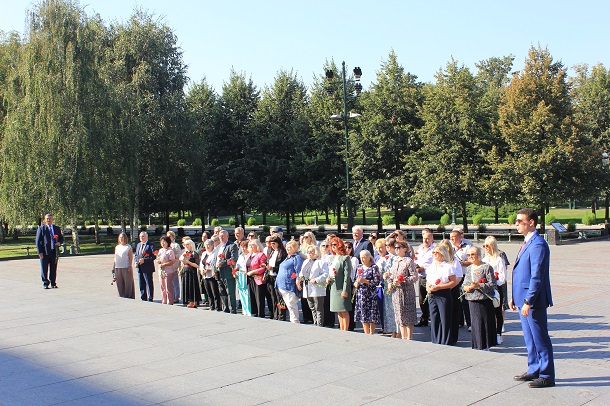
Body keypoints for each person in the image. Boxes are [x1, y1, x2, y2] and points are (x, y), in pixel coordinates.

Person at [510, 208, 555, 388]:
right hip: (523, 299)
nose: (517, 224)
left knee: (540, 338)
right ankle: (534, 368)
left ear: (531, 222)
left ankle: (547, 374)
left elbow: (537, 275)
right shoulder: (527, 242)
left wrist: (528, 300)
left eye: (520, 221)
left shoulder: (538, 244)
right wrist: (515, 297)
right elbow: (520, 272)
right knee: (530, 338)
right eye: (517, 221)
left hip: (533, 301)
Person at [463, 246, 497, 350]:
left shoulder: (486, 267)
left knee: (485, 322)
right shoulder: (469, 268)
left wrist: (479, 286)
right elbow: (464, 284)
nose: (471, 257)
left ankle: (485, 344)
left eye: (473, 254)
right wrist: (466, 288)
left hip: (484, 300)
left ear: (479, 254)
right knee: (475, 324)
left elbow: (492, 285)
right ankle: (477, 344)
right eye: (468, 255)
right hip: (472, 299)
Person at [388, 240, 419, 340]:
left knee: (408, 315)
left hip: (406, 292)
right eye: (395, 248)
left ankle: (409, 338)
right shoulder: (395, 260)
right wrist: (390, 282)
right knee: (399, 314)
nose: (396, 250)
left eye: (399, 248)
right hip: (396, 291)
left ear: (405, 249)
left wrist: (403, 280)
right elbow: (391, 274)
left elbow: (414, 276)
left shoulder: (408, 261)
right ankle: (403, 336)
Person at [426, 245, 457, 345]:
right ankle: (435, 339)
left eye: (436, 252)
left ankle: (446, 340)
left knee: (444, 318)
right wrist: (428, 288)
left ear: (442, 254)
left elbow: (453, 282)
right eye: (433, 253)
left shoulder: (448, 266)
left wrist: (439, 287)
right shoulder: (432, 266)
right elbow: (428, 280)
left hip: (443, 293)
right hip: (432, 293)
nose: (434, 254)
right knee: (434, 317)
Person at [483, 236, 507, 344]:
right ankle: (489, 333)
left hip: (497, 288)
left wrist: (494, 282)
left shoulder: (499, 259)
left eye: (487, 245)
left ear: (493, 246)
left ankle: (498, 334)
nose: (485, 248)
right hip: (486, 289)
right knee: (488, 312)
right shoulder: (484, 259)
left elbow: (503, 277)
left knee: (498, 311)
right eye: (484, 246)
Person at [298, 245, 328, 326]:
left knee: (318, 308)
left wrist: (316, 280)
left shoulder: (321, 262)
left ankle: (320, 325)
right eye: (308, 252)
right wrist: (301, 277)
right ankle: (315, 323)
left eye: (312, 252)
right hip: (307, 286)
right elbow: (301, 272)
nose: (310, 253)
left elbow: (325, 274)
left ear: (316, 252)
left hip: (317, 287)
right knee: (311, 307)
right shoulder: (306, 261)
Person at [327, 237, 353, 331]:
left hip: (342, 287)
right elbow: (331, 272)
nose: (333, 247)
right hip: (334, 286)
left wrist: (345, 290)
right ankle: (341, 328)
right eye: (331, 245)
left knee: (344, 310)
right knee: (338, 310)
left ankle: (345, 330)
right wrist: (328, 279)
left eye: (335, 244)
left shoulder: (345, 258)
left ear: (340, 245)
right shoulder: (332, 258)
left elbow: (347, 275)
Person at [276, 240, 304, 323]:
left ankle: (295, 322)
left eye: (290, 248)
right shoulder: (288, 257)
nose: (287, 249)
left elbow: (298, 270)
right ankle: (293, 321)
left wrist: (298, 281)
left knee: (292, 305)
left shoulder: (297, 257)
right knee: (289, 305)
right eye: (287, 247)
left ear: (295, 248)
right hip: (282, 285)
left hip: (289, 285)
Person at [354, 250, 381, 334]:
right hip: (361, 294)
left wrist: (365, 281)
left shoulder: (374, 267)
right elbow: (356, 279)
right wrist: (356, 283)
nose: (362, 259)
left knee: (371, 315)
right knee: (363, 315)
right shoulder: (359, 267)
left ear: (369, 258)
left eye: (364, 257)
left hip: (370, 294)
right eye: (361, 258)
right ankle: (366, 333)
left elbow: (376, 282)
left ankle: (371, 332)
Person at [450, 229, 472, 332]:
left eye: (454, 237)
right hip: (453, 276)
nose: (452, 238)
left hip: (464, 275)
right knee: (456, 299)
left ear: (460, 237)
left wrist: (463, 263)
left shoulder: (467, 247)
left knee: (465, 299)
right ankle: (459, 321)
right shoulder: (449, 247)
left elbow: (472, 260)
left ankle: (470, 323)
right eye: (451, 237)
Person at [36, 213, 64, 289]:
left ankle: (53, 283)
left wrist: (59, 242)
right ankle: (45, 283)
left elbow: (61, 238)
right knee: (44, 268)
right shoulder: (41, 229)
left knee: (53, 268)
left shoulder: (56, 228)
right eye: (47, 219)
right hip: (44, 252)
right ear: (45, 220)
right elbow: (38, 241)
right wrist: (40, 252)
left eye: (50, 218)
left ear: (52, 219)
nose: (48, 220)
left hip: (54, 252)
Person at [215, 230, 239, 313]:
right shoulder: (218, 247)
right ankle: (225, 309)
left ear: (227, 236)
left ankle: (232, 309)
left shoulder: (232, 246)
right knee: (222, 292)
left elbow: (234, 259)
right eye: (220, 236)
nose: (221, 237)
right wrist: (214, 269)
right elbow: (215, 259)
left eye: (223, 236)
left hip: (227, 272)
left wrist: (223, 263)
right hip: (219, 272)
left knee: (230, 292)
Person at [414, 228, 435, 327]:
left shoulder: (434, 250)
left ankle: (433, 319)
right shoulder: (420, 249)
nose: (425, 241)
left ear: (432, 239)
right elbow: (416, 260)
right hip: (421, 276)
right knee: (422, 299)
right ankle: (424, 319)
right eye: (424, 238)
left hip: (430, 277)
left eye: (427, 239)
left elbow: (435, 263)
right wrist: (416, 266)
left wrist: (423, 268)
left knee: (430, 298)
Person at [266, 235, 287, 320]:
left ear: (278, 243)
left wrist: (273, 268)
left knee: (280, 298)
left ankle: (282, 315)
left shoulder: (282, 253)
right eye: (271, 244)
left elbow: (282, 267)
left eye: (274, 243)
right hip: (270, 276)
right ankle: (276, 315)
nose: (272, 245)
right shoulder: (271, 252)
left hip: (278, 277)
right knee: (273, 297)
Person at [245, 239, 268, 318]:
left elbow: (263, 268)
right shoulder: (249, 255)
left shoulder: (261, 255)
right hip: (249, 279)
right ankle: (254, 314)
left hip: (257, 278)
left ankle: (260, 315)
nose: (251, 246)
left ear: (257, 245)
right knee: (252, 297)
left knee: (259, 298)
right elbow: (246, 265)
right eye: (250, 245)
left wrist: (253, 272)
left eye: (253, 244)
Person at [382, 237, 399, 337]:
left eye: (389, 246)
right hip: (387, 285)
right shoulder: (388, 257)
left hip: (393, 285)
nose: (387, 248)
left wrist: (389, 274)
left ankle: (398, 331)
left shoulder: (396, 257)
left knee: (395, 309)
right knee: (389, 309)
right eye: (386, 246)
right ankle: (393, 330)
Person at [199, 239, 221, 311]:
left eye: (209, 244)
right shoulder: (204, 253)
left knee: (215, 292)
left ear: (212, 245)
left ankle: (217, 307)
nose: (207, 246)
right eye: (206, 245)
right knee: (209, 292)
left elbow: (215, 264)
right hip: (205, 276)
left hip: (212, 275)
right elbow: (201, 264)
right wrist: (202, 270)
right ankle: (212, 306)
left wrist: (208, 269)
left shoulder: (215, 253)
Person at [180, 239, 202, 308]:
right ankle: (187, 300)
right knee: (186, 285)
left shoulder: (194, 253)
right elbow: (180, 259)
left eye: (188, 244)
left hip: (192, 271)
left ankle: (194, 301)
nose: (186, 246)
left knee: (192, 286)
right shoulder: (185, 253)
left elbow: (197, 265)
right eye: (185, 244)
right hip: (185, 271)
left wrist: (189, 262)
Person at [112, 232, 135, 299]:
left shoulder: (128, 247)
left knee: (128, 282)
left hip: (126, 267)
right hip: (118, 267)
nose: (121, 239)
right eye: (120, 237)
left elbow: (131, 257)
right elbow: (115, 258)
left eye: (122, 237)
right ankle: (121, 295)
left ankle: (129, 296)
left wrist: (130, 266)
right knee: (119, 283)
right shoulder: (117, 247)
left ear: (125, 238)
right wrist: (113, 267)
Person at [135, 231, 156, 301]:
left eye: (143, 236)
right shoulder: (138, 245)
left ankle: (150, 297)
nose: (141, 238)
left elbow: (154, 256)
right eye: (140, 236)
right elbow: (136, 255)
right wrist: (136, 261)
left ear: (147, 237)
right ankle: (143, 297)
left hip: (148, 267)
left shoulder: (150, 245)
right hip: (140, 267)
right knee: (141, 283)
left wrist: (145, 260)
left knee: (149, 282)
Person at [320, 239, 335, 328]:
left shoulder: (331, 257)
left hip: (328, 281)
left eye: (327, 246)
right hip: (320, 282)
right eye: (323, 246)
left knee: (328, 302)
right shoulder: (319, 256)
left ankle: (329, 322)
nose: (325, 248)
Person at [156, 236, 177, 305]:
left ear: (168, 242)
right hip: (161, 271)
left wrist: (164, 264)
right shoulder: (161, 250)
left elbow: (173, 261)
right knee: (162, 286)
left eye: (164, 242)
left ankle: (170, 301)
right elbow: (158, 258)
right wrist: (158, 261)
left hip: (168, 271)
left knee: (168, 286)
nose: (162, 243)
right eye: (161, 242)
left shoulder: (170, 251)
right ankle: (164, 300)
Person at [374, 238, 388, 333]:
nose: (379, 250)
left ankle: (388, 327)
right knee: (380, 308)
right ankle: (383, 327)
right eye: (377, 248)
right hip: (377, 285)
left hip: (385, 285)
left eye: (381, 247)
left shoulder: (388, 257)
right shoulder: (376, 258)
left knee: (386, 307)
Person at [235, 240, 252, 316]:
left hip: (246, 275)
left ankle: (249, 311)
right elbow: (237, 266)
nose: (244, 249)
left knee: (247, 294)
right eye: (242, 247)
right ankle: (244, 310)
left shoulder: (250, 256)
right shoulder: (241, 256)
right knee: (241, 292)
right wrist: (234, 272)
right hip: (240, 275)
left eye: (245, 247)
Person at [166, 231, 182, 303]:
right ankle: (170, 296)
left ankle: (176, 296)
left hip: (174, 266)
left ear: (173, 237)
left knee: (175, 282)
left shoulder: (176, 245)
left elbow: (179, 255)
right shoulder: (166, 245)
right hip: (167, 266)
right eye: (167, 236)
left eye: (170, 236)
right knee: (169, 282)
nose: (169, 237)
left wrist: (173, 256)